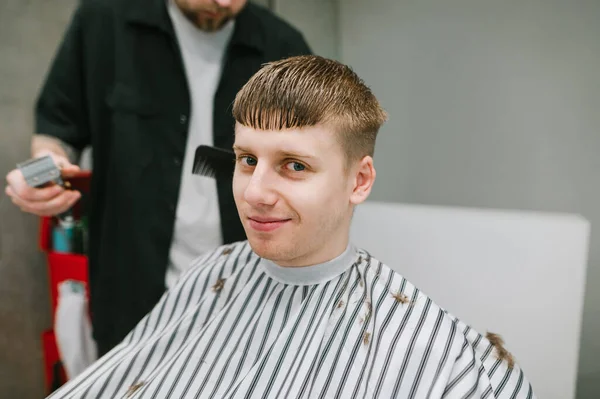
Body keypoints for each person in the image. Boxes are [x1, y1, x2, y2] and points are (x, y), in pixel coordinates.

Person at [44, 55, 536, 399]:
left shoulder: (450, 360)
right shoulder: (211, 274)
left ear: (359, 180)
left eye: (294, 166)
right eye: (246, 159)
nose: (254, 192)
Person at [4, 0, 311, 355]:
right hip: (130, 291)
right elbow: (58, 128)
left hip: (251, 296)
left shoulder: (282, 45)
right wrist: (43, 171)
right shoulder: (104, 21)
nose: (225, 3)